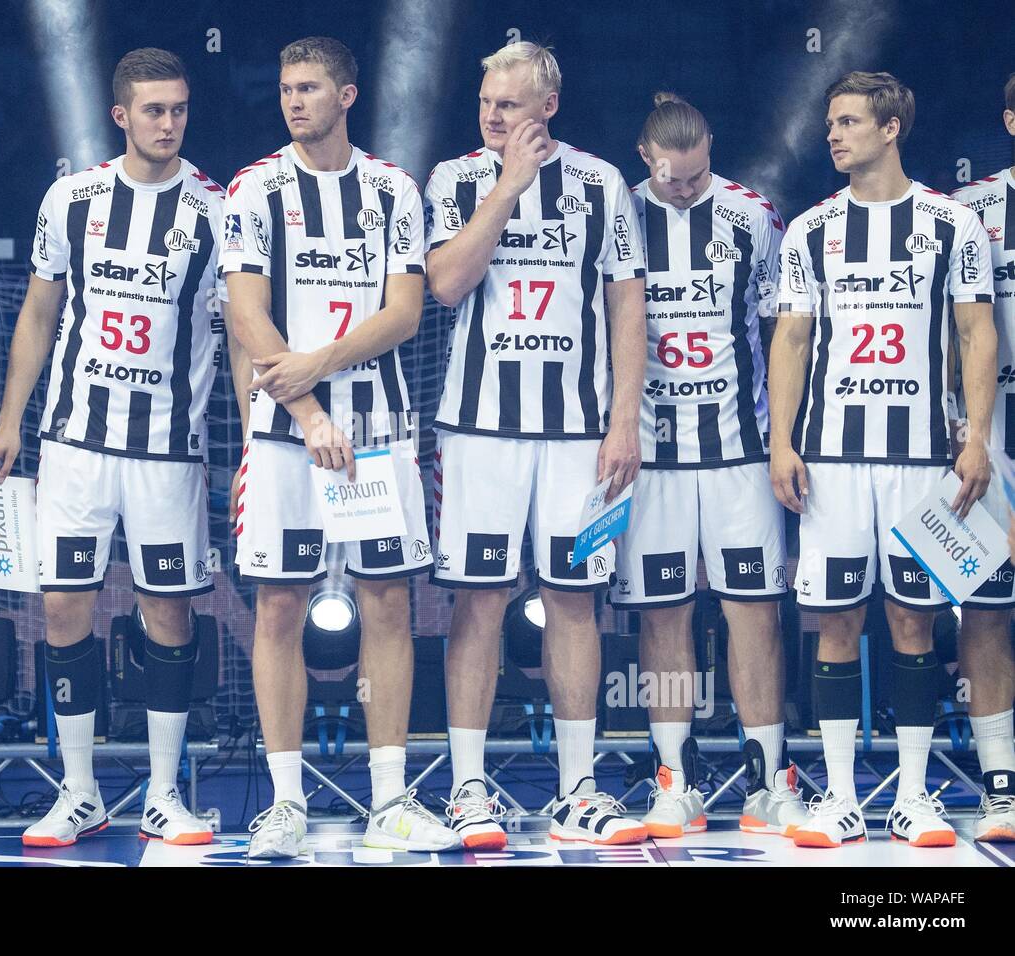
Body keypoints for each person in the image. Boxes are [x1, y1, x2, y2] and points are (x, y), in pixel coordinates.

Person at [0, 48, 228, 847]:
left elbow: (245, 328)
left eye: (180, 109)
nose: (169, 123)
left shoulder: (217, 208)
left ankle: (163, 792)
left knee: (168, 609)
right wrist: (11, 419)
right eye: (153, 110)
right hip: (76, 437)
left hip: (166, 444)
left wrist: (255, 429)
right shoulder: (72, 197)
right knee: (61, 605)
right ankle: (79, 790)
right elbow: (38, 315)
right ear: (121, 115)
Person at [224, 36, 455, 859]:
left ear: (347, 95)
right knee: (280, 607)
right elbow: (246, 317)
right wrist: (311, 411)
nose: (294, 101)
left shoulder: (393, 189)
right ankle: (285, 804)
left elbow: (405, 313)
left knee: (389, 604)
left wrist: (318, 368)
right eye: (286, 88)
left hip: (381, 435)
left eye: (311, 87)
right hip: (287, 441)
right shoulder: (254, 188)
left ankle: (390, 798)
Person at [425, 42, 648, 848]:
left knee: (573, 597)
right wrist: (508, 188)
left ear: (547, 107)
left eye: (509, 104)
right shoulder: (455, 180)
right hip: (479, 429)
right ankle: (469, 788)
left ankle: (579, 788)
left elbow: (628, 305)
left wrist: (625, 420)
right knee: (478, 600)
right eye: (485, 101)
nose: (491, 115)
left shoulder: (600, 183)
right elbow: (446, 285)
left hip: (582, 433)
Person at [770, 72, 996, 848]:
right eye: (830, 122)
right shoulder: (809, 230)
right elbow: (791, 339)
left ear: (891, 127)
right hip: (831, 456)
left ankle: (913, 796)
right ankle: (837, 797)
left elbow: (976, 333)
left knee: (914, 619)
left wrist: (975, 437)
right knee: (833, 618)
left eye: (849, 122)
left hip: (920, 455)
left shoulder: (950, 225)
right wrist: (782, 441)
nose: (833, 134)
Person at [621, 92, 803, 837]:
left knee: (752, 612)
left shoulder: (752, 215)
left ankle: (767, 783)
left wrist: (784, 436)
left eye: (698, 175)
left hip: (737, 451)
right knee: (664, 616)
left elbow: (781, 332)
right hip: (650, 456)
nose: (686, 187)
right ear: (645, 158)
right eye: (673, 177)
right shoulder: (617, 212)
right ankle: (675, 781)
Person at [949, 69, 1015, 842]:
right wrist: (964, 434)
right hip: (989, 438)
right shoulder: (969, 214)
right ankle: (1002, 783)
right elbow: (949, 332)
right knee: (989, 611)